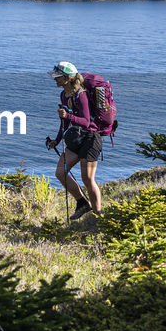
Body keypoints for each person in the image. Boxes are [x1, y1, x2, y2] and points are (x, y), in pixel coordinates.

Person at [45, 61, 102, 219]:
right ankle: (83, 203)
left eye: (58, 77)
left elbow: (85, 121)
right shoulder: (64, 94)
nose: (55, 79)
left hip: (90, 138)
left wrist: (67, 116)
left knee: (88, 179)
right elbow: (65, 121)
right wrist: (56, 140)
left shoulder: (81, 94)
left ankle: (98, 216)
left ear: (68, 78)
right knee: (60, 172)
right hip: (77, 138)